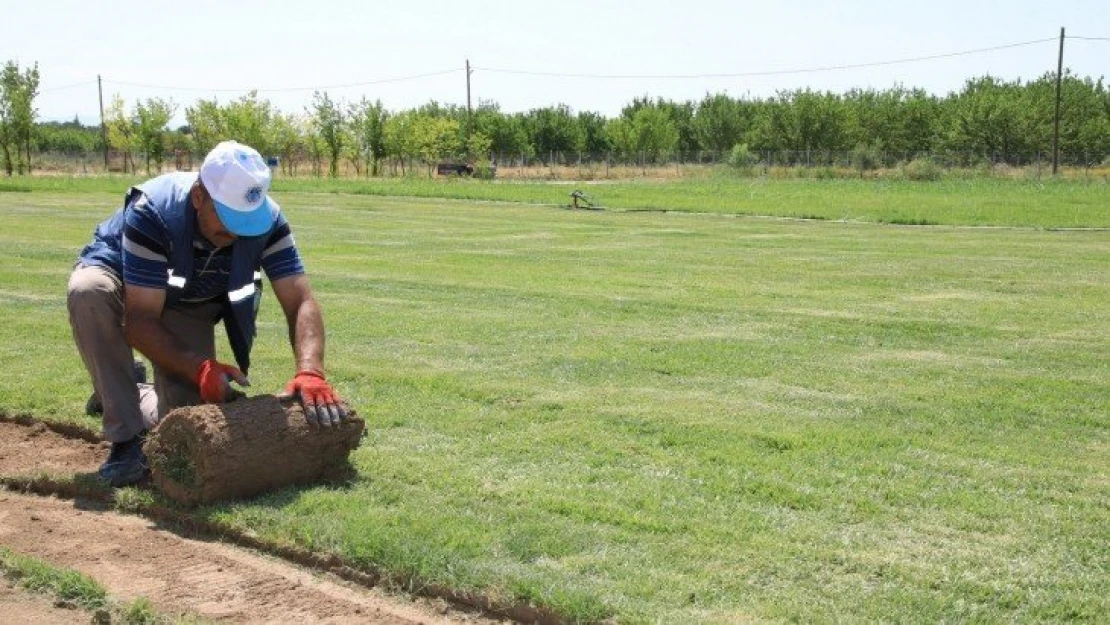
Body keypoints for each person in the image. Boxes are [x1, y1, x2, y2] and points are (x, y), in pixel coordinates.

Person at [68, 140, 347, 487]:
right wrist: (199, 367)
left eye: (246, 223)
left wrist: (311, 372)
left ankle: (126, 391)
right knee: (88, 292)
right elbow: (140, 321)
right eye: (228, 221)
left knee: (184, 417)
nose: (235, 234)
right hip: (121, 270)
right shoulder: (153, 212)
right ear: (199, 196)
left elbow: (300, 299)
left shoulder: (269, 221)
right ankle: (125, 442)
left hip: (187, 294)